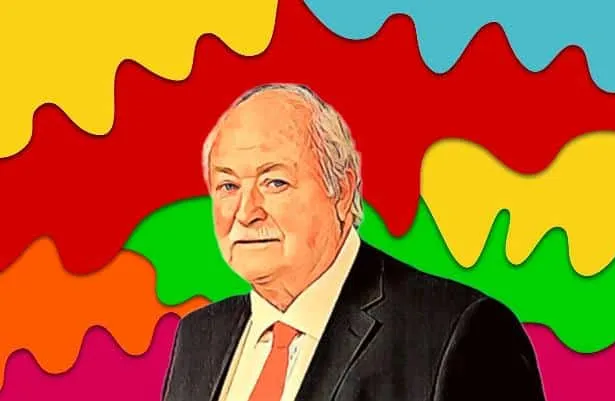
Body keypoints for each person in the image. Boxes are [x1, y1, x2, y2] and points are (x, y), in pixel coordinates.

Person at [161, 83, 546, 401]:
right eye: (228, 185)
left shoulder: (460, 331)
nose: (246, 212)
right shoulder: (198, 337)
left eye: (275, 182)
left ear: (343, 191)